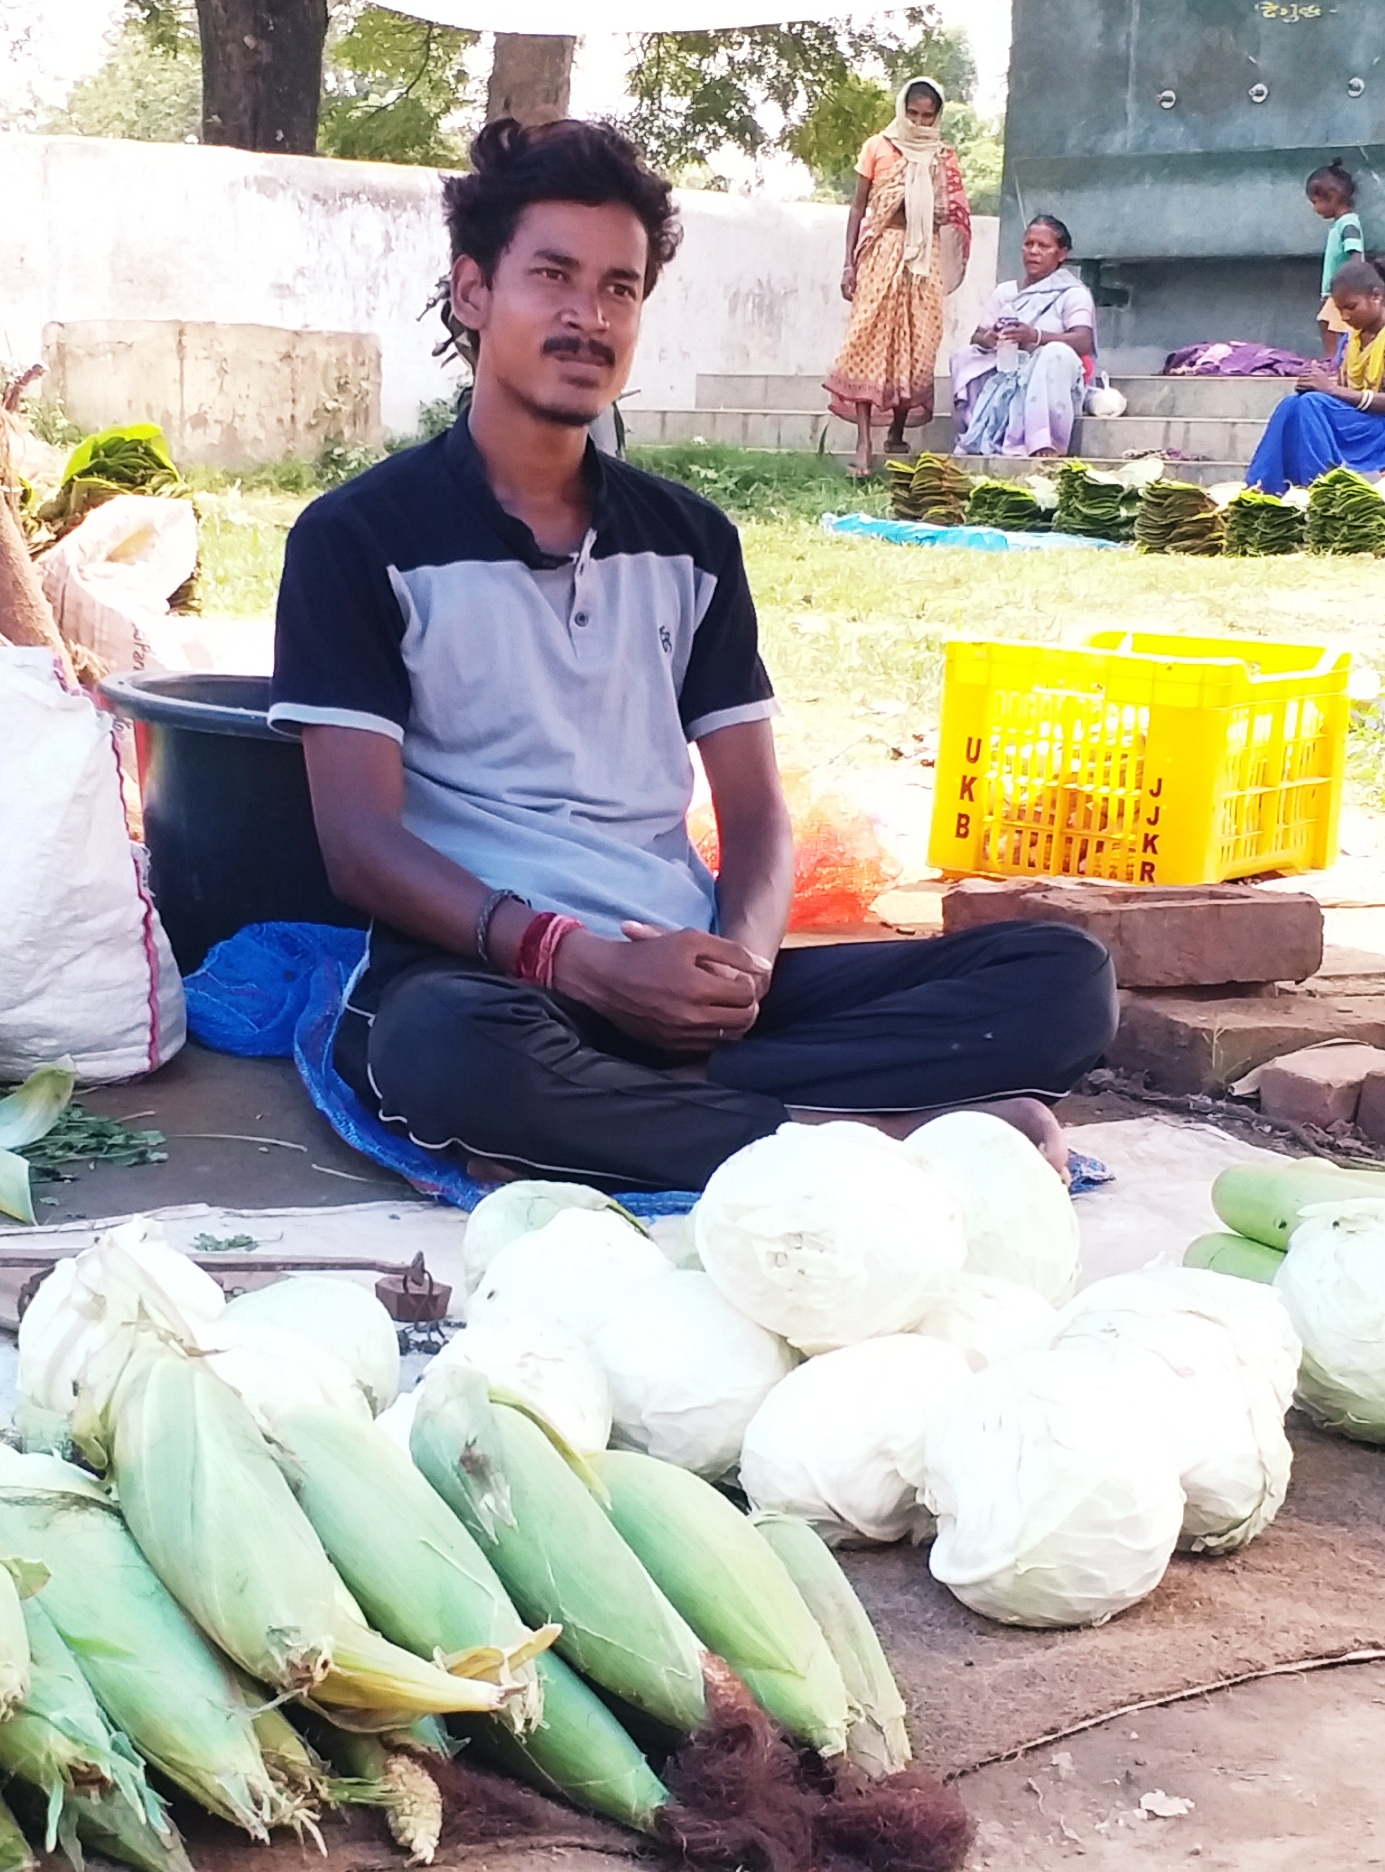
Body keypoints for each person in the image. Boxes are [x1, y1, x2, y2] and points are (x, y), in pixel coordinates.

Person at [269, 118, 1116, 1196]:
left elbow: (757, 813)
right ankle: (867, 1134)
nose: (589, 316)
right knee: (441, 1049)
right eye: (554, 277)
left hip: (688, 972)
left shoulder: (691, 541)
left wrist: (740, 971)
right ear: (474, 292)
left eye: (620, 288)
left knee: (1062, 977)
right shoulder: (357, 539)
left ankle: (678, 1114)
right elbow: (359, 843)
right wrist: (579, 962)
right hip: (499, 972)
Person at [825, 78, 972, 477]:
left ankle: (896, 429)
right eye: (913, 113)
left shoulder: (944, 157)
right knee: (868, 339)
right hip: (882, 250)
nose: (919, 122)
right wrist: (848, 264)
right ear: (901, 110)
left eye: (927, 116)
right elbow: (858, 209)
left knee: (917, 346)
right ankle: (863, 443)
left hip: (924, 257)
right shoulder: (878, 147)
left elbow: (954, 211)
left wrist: (931, 206)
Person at [1242, 257, 1385, 495]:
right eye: (1340, 310)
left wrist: (1329, 390)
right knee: (1294, 404)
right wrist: (1315, 385)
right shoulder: (1349, 341)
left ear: (1376, 296)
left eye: (1351, 307)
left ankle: (1320, 490)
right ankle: (1260, 489)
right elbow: (1341, 400)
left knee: (1313, 403)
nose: (1345, 317)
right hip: (1362, 426)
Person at [949, 214, 1100, 458]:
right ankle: (976, 433)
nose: (1033, 251)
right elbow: (976, 336)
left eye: (1043, 246)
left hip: (1053, 376)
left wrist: (1034, 336)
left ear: (1061, 254)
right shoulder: (1005, 292)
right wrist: (990, 338)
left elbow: (1083, 341)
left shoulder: (1073, 294)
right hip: (1007, 369)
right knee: (964, 356)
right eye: (1029, 244)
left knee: (1054, 353)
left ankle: (1044, 443)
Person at [1308, 159, 1365, 363]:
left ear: (1331, 197)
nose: (1315, 209)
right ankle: (1337, 358)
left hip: (1345, 287)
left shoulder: (1348, 223)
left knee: (1329, 323)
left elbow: (1355, 252)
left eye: (1316, 202)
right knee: (1330, 323)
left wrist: (1353, 280)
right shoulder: (1340, 224)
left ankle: (1334, 359)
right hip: (1337, 289)